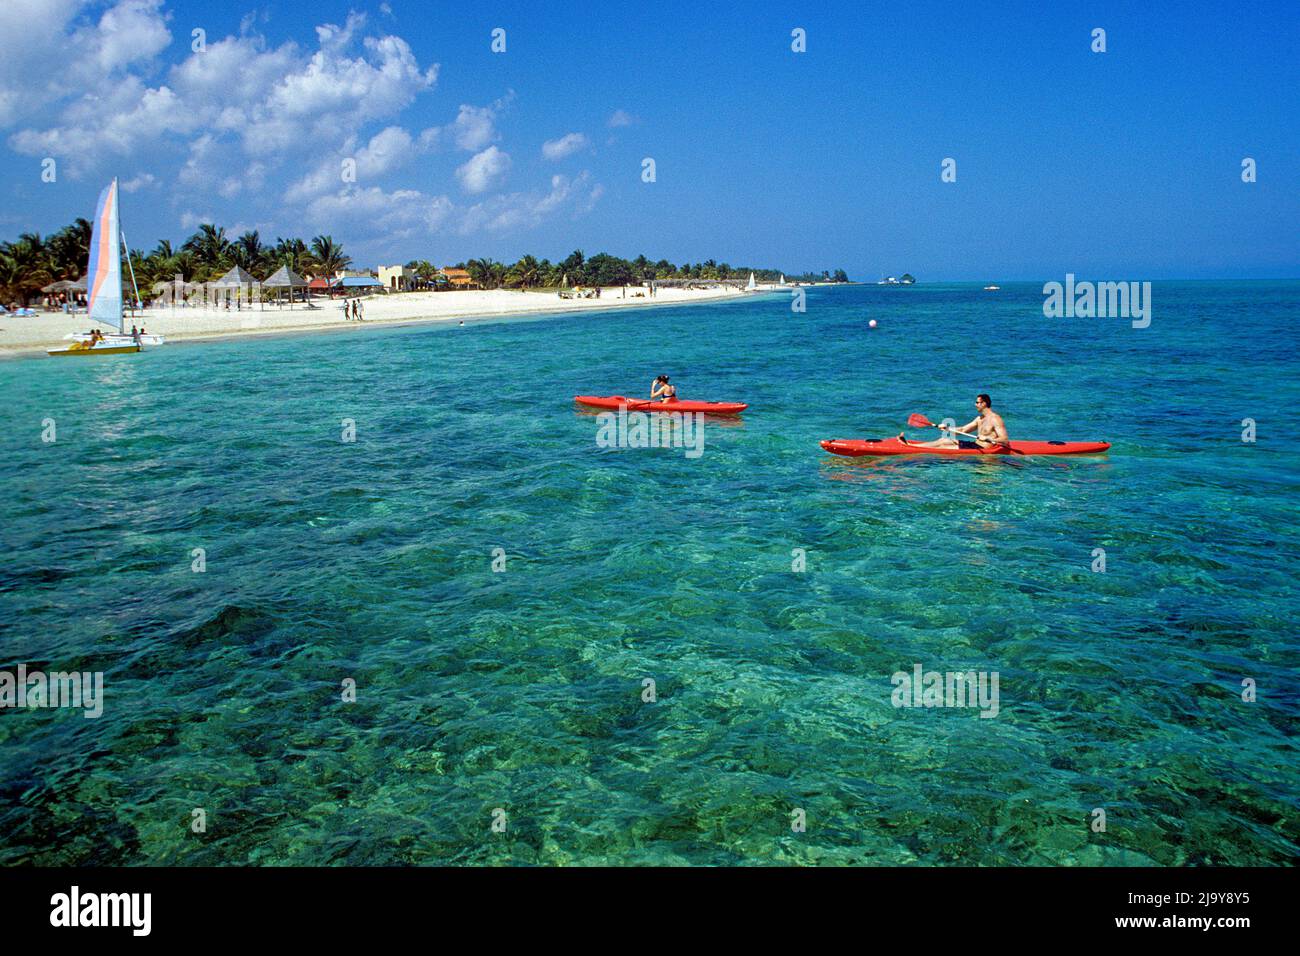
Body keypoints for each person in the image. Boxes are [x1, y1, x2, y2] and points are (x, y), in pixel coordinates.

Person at [900, 394, 1009, 448]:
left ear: (984, 403)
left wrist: (987, 438)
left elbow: (1005, 440)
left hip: (982, 449)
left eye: (977, 402)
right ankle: (911, 446)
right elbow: (963, 429)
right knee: (943, 439)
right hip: (974, 445)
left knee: (945, 447)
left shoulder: (995, 419)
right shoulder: (979, 419)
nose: (975, 405)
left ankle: (911, 448)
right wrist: (947, 429)